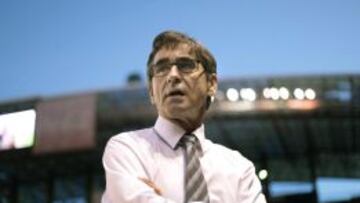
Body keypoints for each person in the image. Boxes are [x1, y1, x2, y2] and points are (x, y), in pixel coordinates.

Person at [102, 30, 266, 203]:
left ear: (211, 84)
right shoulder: (126, 149)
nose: (172, 76)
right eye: (162, 68)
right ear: (151, 91)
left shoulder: (240, 168)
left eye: (186, 65)